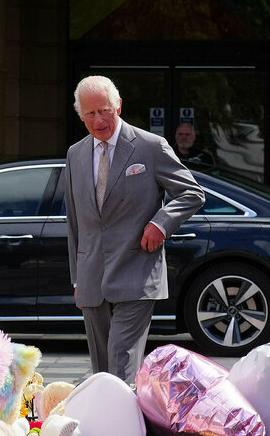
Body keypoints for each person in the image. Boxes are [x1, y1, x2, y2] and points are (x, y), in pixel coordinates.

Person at [64, 76, 205, 382]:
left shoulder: (150, 146)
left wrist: (161, 223)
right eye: (90, 114)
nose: (99, 120)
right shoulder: (75, 154)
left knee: (121, 361)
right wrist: (77, 277)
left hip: (136, 271)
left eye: (105, 111)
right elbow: (75, 221)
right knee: (101, 371)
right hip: (92, 277)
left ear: (119, 106)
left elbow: (192, 193)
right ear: (80, 115)